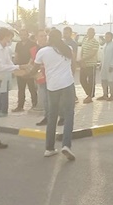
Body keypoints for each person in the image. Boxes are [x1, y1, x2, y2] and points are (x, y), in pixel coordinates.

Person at [31, 29, 76, 161]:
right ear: (60, 37)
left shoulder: (43, 51)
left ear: (49, 38)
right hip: (68, 84)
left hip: (52, 87)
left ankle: (49, 148)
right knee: (69, 115)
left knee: (52, 116)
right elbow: (73, 65)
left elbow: (34, 69)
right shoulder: (67, 49)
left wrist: (25, 72)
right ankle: (66, 145)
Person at [13, 29, 38, 112]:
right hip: (20, 67)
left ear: (27, 35)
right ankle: (20, 106)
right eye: (21, 35)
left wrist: (28, 65)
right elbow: (16, 55)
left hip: (29, 68)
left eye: (24, 34)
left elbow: (33, 56)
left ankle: (35, 104)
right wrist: (16, 66)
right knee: (21, 88)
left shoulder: (33, 44)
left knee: (32, 87)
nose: (23, 36)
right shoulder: (18, 44)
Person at [80, 28, 99, 103]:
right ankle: (88, 93)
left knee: (91, 81)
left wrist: (84, 59)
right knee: (82, 80)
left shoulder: (95, 42)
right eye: (88, 32)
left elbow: (93, 53)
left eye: (91, 32)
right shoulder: (85, 40)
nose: (90, 33)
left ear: (94, 33)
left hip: (91, 64)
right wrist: (82, 60)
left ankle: (90, 96)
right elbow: (82, 50)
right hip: (84, 64)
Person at [98, 32, 113, 101]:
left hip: (110, 66)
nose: (106, 38)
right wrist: (100, 64)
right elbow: (102, 56)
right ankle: (105, 94)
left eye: (108, 37)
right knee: (103, 80)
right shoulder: (105, 45)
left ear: (111, 37)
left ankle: (112, 95)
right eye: (106, 37)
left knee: (111, 81)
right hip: (104, 66)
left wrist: (111, 66)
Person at [63, 27, 79, 103]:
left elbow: (74, 56)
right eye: (64, 33)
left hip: (70, 65)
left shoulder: (73, 43)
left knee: (70, 81)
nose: (64, 34)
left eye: (66, 33)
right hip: (64, 65)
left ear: (70, 33)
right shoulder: (63, 42)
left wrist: (73, 66)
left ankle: (74, 97)